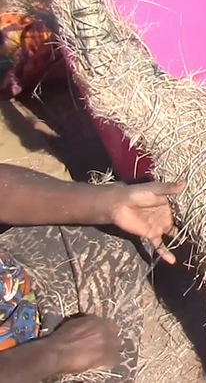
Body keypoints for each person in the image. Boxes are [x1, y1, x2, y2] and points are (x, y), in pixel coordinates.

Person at [0, 164, 181, 383]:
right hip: (32, 365)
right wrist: (54, 353)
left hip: (20, 271)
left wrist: (108, 203)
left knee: (141, 220)